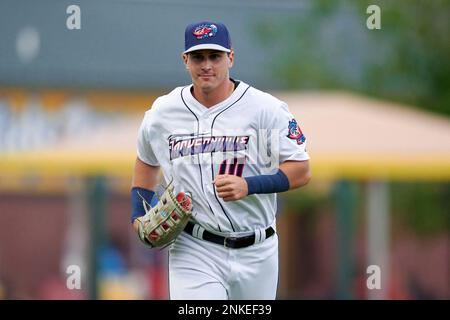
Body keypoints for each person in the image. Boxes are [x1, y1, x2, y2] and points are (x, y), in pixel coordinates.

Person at [131, 21, 311, 300]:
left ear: (230, 58)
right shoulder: (162, 113)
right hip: (194, 246)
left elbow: (301, 170)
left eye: (214, 56)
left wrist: (249, 186)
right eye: (198, 57)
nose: (206, 65)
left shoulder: (265, 109)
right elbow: (145, 161)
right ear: (185, 60)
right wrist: (137, 216)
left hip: (257, 248)